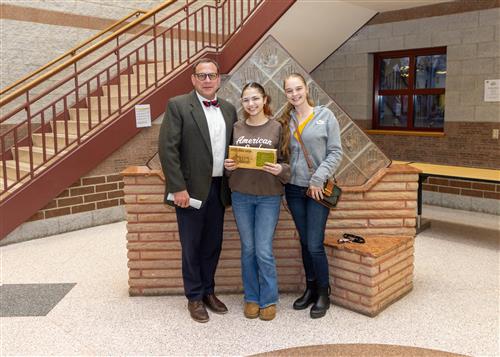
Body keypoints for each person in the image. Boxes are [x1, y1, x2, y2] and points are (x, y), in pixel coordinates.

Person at [158, 58, 238, 323]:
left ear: (218, 79)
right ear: (193, 79)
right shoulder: (178, 105)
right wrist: (177, 187)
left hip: (219, 189)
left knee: (213, 245)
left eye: (211, 75)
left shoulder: (228, 109)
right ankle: (193, 297)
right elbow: (168, 149)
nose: (207, 80)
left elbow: (232, 148)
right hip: (190, 191)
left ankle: (208, 292)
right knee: (191, 245)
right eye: (201, 75)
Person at [277, 73, 343, 319]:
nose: (294, 94)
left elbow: (336, 152)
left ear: (307, 89)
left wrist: (318, 178)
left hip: (317, 190)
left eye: (298, 89)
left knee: (315, 244)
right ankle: (310, 288)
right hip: (294, 190)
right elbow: (284, 157)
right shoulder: (286, 121)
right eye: (289, 91)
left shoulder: (325, 116)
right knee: (304, 242)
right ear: (285, 94)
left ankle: (324, 293)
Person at [224, 82, 290, 321]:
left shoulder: (277, 127)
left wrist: (279, 169)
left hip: (269, 197)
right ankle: (251, 297)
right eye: (246, 100)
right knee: (248, 249)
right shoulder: (236, 127)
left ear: (264, 100)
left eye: (255, 99)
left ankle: (269, 298)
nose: (250, 104)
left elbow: (287, 163)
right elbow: (230, 163)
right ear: (242, 103)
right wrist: (228, 167)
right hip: (240, 195)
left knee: (263, 250)